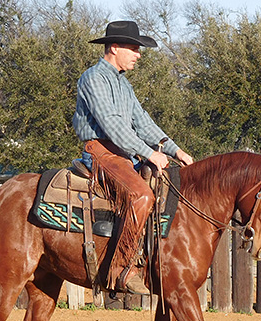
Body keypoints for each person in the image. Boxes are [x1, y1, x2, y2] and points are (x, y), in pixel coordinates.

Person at [72, 20, 193, 295]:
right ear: (114, 47)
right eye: (134, 48)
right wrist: (149, 153)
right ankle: (120, 269)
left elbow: (144, 122)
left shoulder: (123, 85)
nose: (138, 54)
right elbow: (112, 126)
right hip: (102, 152)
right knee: (142, 196)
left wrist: (176, 151)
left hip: (123, 155)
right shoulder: (93, 78)